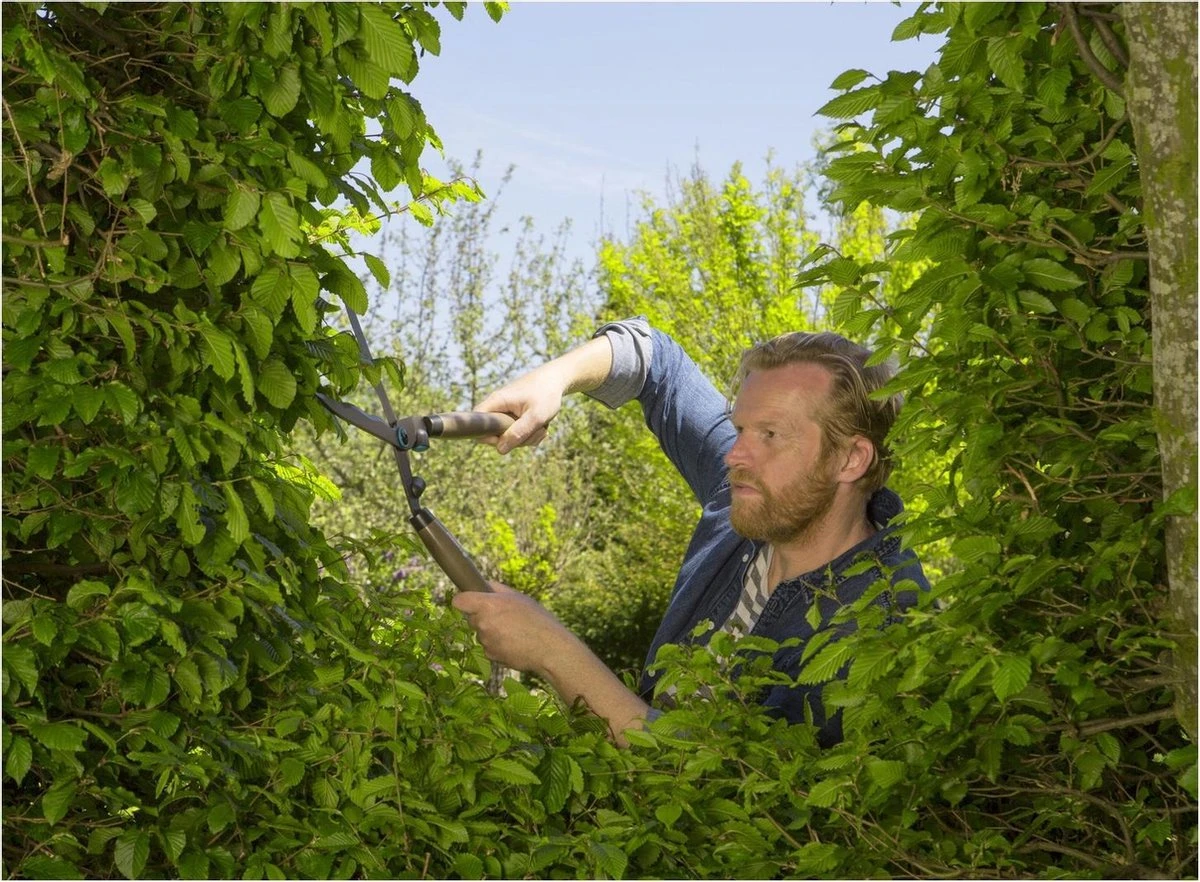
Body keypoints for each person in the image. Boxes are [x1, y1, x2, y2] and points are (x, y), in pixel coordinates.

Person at [452, 317, 929, 747]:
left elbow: (732, 789)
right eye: (740, 429)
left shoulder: (883, 631)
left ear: (851, 459)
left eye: (770, 435)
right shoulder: (755, 494)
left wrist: (553, 653)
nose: (734, 456)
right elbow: (654, 361)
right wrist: (552, 380)